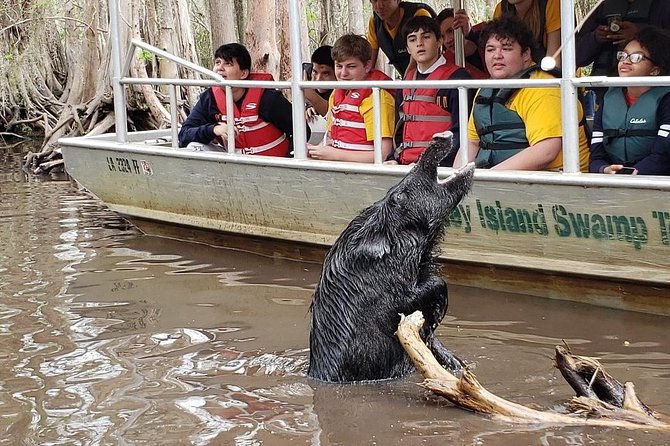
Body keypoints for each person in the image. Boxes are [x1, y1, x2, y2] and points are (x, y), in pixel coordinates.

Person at [453, 17, 590, 171]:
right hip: (499, 183)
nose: (497, 55)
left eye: (506, 48)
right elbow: (472, 142)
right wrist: (455, 179)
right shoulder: (485, 90)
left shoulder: (542, 87)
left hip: (553, 182)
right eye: (490, 49)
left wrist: (490, 178)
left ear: (526, 54)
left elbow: (546, 150)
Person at [178, 43, 307, 156]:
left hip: (272, 165)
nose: (220, 68)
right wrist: (213, 129)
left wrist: (290, 157)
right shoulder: (210, 98)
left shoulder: (268, 99)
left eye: (228, 63)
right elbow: (184, 134)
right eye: (217, 62)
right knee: (193, 147)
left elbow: (303, 131)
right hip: (234, 164)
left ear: (243, 73)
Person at [390, 15, 472, 166]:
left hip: (439, 166)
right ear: (407, 48)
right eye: (412, 39)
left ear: (439, 41)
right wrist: (392, 158)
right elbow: (399, 127)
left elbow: (462, 132)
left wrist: (428, 163)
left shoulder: (457, 78)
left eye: (426, 37)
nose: (419, 44)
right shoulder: (406, 81)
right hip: (404, 164)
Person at [589, 27, 670, 175]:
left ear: (655, 70)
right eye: (623, 55)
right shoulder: (608, 100)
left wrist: (634, 173)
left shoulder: (666, 100)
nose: (625, 61)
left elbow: (663, 155)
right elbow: (595, 158)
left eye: (636, 58)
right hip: (615, 182)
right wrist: (605, 169)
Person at [307, 34, 395, 163]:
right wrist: (314, 151)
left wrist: (334, 155)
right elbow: (330, 139)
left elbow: (383, 154)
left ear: (367, 66)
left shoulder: (376, 97)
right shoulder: (336, 94)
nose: (343, 73)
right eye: (339, 66)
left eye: (351, 66)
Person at [576, 0, 670, 77]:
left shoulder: (663, 6)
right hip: (602, 89)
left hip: (652, 90)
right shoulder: (601, 7)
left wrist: (640, 34)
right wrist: (595, 37)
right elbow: (575, 57)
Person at [453, 0, 562, 65]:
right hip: (514, 75)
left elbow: (554, 58)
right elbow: (496, 47)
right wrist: (470, 33)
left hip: (543, 76)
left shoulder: (551, 3)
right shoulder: (501, 8)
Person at [367, 0, 436, 76]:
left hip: (431, 74)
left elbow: (413, 65)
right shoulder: (375, 22)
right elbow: (369, 62)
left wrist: (406, 82)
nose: (379, 6)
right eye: (374, 1)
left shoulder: (418, 14)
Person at [436, 7, 487, 78]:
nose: (447, 40)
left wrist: (471, 34)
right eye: (443, 37)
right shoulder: (447, 62)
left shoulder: (485, 32)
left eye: (451, 31)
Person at [304, 45, 336, 118]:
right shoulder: (310, 88)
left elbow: (329, 113)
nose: (318, 79)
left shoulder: (341, 92)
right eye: (315, 72)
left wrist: (308, 92)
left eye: (325, 73)